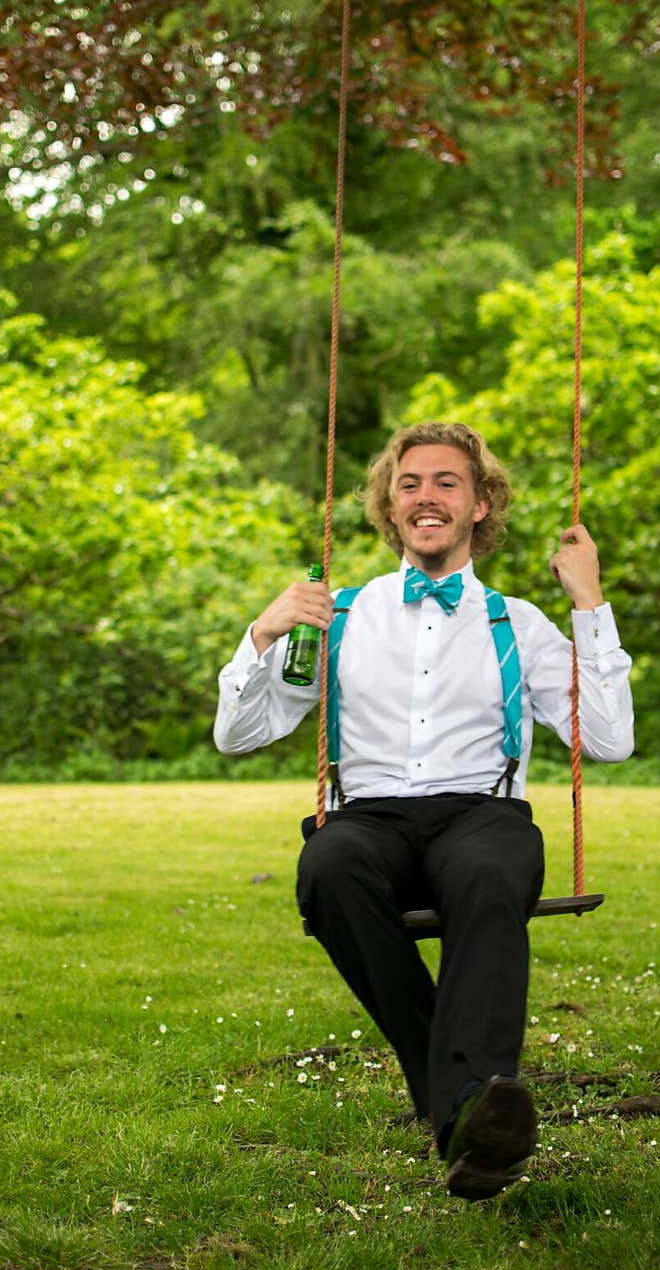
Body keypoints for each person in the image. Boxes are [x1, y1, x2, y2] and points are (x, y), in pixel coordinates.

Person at [213, 420, 634, 1202]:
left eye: (447, 482)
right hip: (368, 817)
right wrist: (262, 634)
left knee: (486, 871)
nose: (426, 496)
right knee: (328, 867)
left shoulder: (519, 622)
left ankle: (460, 1107)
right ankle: (468, 1102)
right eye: (410, 484)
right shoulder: (338, 616)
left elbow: (607, 740)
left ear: (480, 505)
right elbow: (238, 733)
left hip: (482, 812)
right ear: (390, 505)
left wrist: (590, 607)